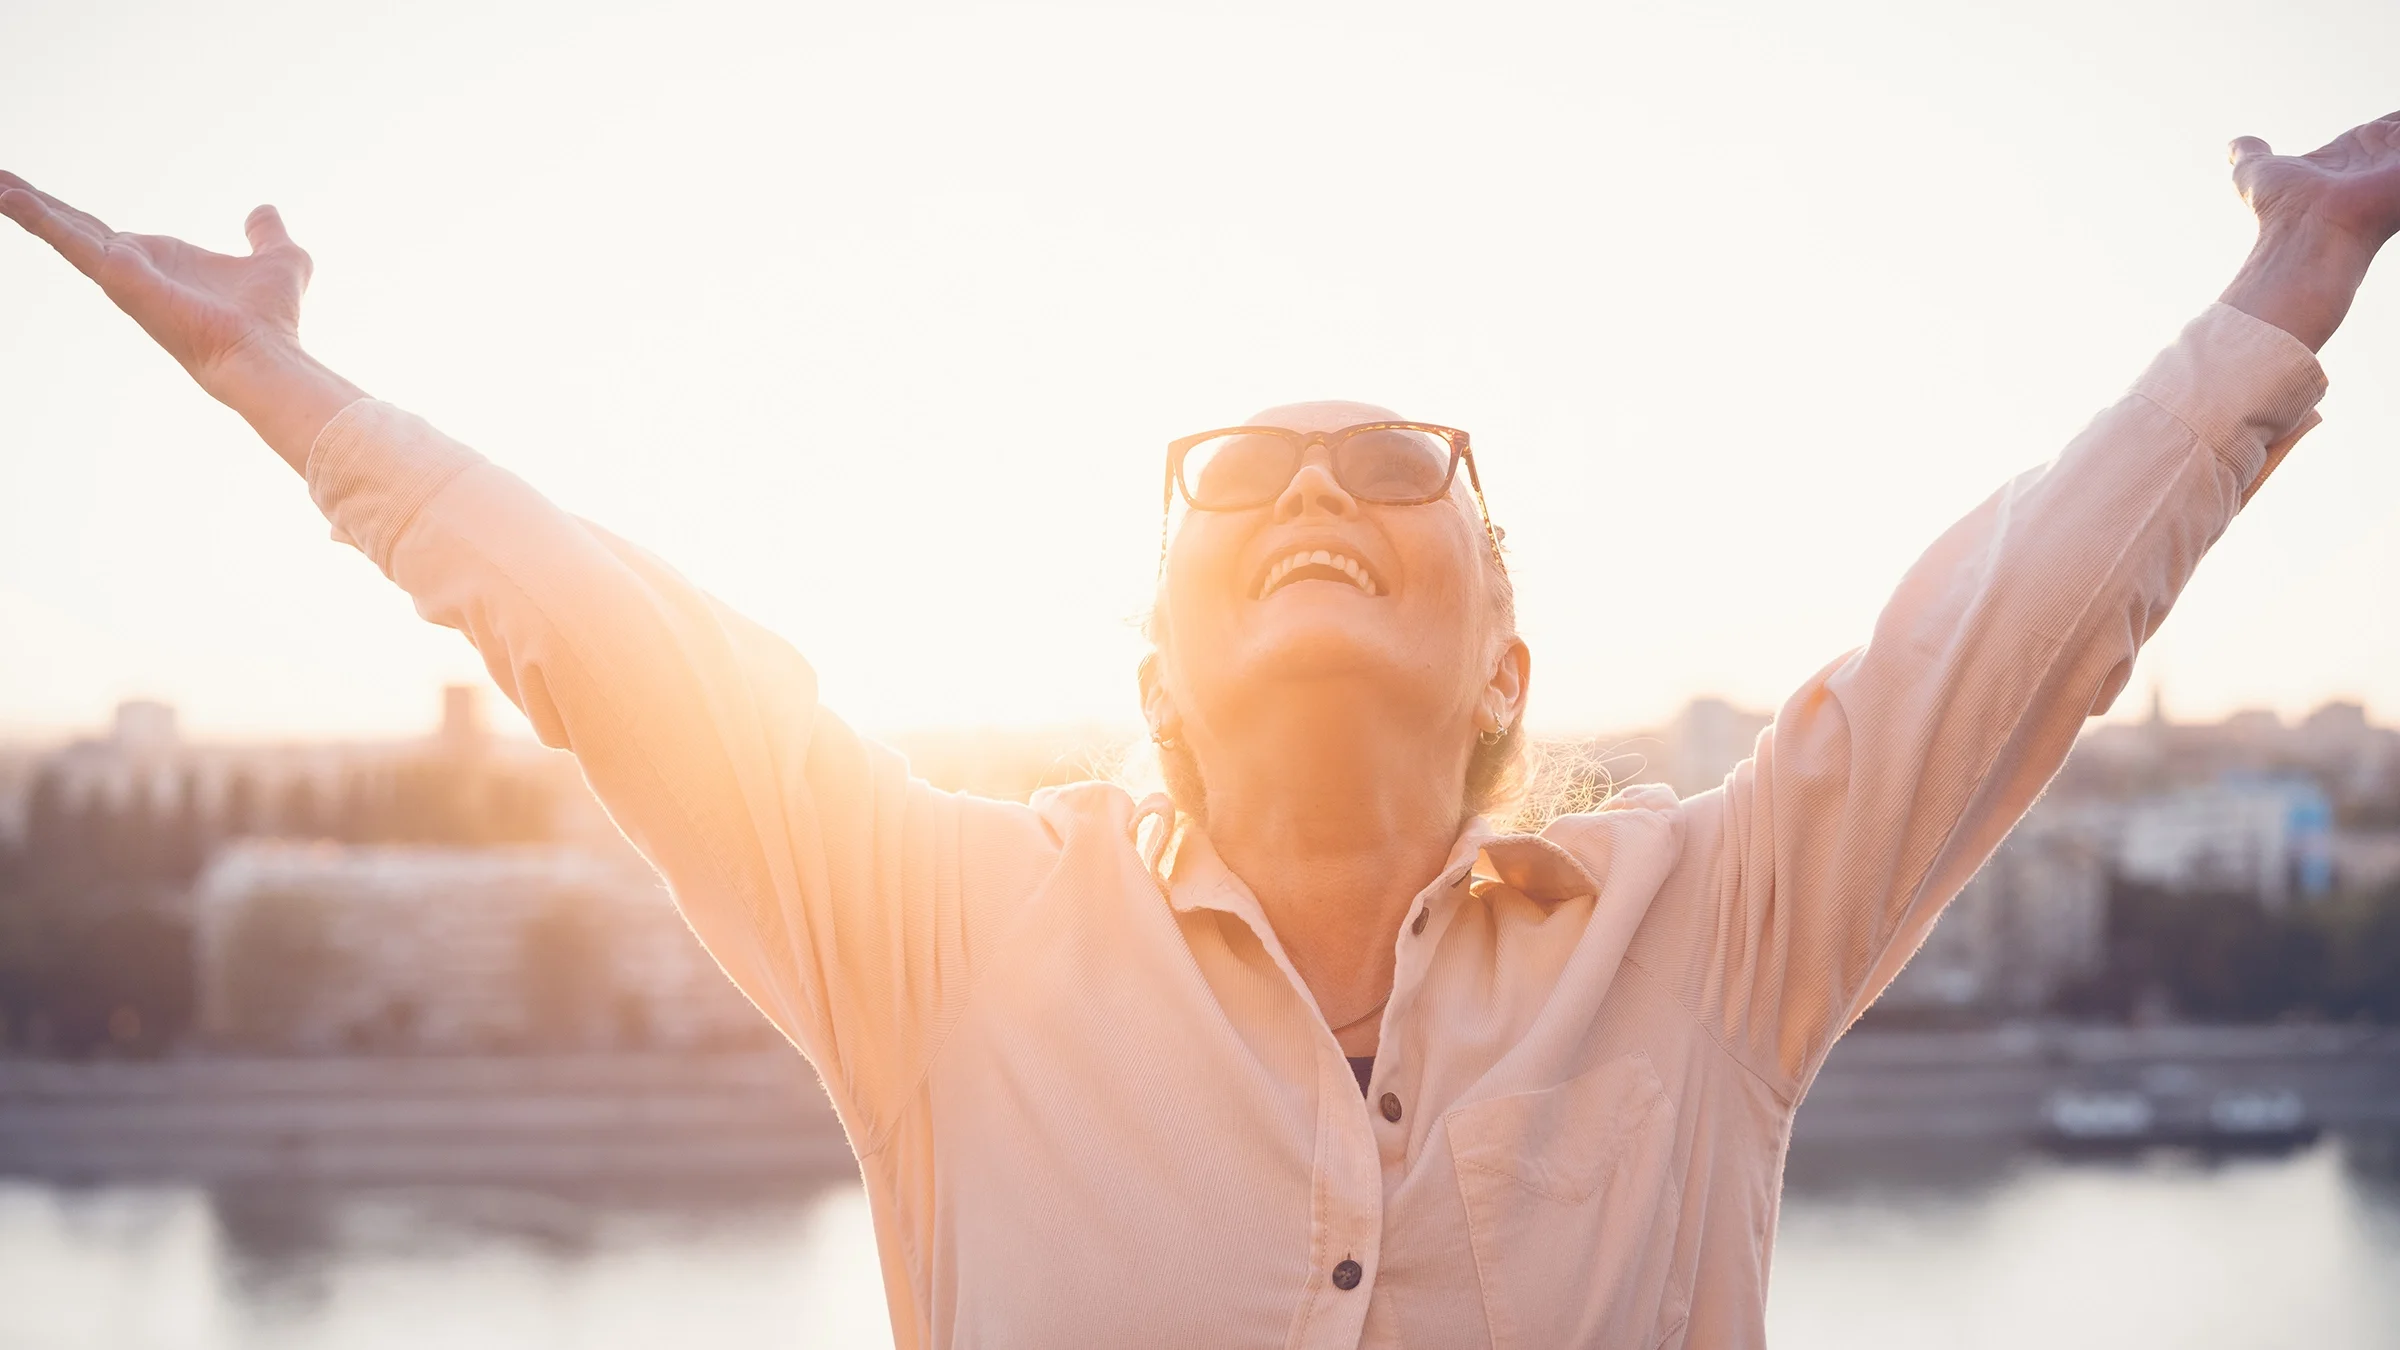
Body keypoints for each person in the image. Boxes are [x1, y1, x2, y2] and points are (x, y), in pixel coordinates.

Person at [3, 108, 2394, 1348]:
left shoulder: (1718, 925)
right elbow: (610, 647)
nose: (1314, 502)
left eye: (1392, 474)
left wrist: (2298, 266)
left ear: (1507, 673)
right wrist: (282, 383)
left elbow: (2023, 621)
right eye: (1238, 484)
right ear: (1152, 676)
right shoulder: (935, 940)